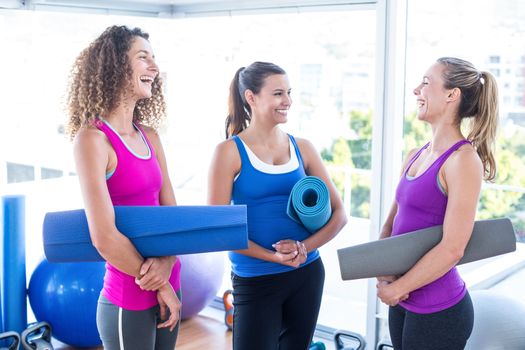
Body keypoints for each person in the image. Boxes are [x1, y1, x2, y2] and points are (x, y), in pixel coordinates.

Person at [207, 61, 347, 350]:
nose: (288, 102)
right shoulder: (229, 153)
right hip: (256, 278)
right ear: (251, 97)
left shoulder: (303, 148)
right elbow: (217, 229)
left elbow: (340, 214)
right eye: (278, 94)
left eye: (289, 93)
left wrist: (304, 248)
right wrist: (272, 257)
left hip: (306, 274)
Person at [66, 25, 181, 350]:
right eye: (143, 58)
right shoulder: (93, 140)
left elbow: (173, 217)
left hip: (171, 278)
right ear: (116, 65)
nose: (154, 68)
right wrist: (159, 284)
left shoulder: (150, 136)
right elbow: (104, 237)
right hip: (129, 295)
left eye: (154, 59)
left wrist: (168, 266)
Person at [376, 57, 499, 349]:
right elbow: (392, 222)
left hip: (438, 311)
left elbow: (453, 248)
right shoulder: (416, 155)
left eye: (426, 83)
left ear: (451, 94)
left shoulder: (463, 161)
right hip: (403, 300)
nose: (417, 90)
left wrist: (398, 289)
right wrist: (383, 271)